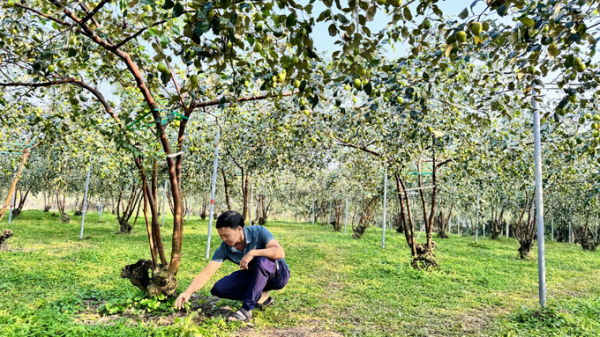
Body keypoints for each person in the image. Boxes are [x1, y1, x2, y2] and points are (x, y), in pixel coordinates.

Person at [174, 210, 290, 322]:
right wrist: (188, 292)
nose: (223, 239)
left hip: (278, 275)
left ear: (239, 229)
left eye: (226, 235)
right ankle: (260, 296)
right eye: (220, 236)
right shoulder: (225, 248)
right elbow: (206, 273)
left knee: (262, 260)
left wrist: (253, 253)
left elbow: (280, 252)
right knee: (219, 288)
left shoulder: (259, 232)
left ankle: (247, 309)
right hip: (254, 275)